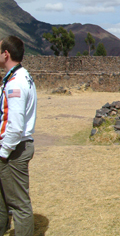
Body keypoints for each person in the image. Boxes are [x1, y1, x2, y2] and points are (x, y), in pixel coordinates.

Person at [0, 36, 37, 236]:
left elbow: (15, 126)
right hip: (12, 147)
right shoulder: (22, 77)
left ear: (6, 54)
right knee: (4, 199)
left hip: (13, 149)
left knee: (18, 203)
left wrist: (4, 152)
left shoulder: (16, 83)